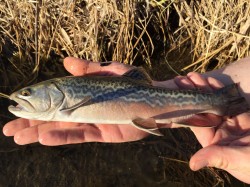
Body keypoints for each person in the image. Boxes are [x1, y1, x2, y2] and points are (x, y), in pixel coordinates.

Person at [3, 56, 250, 183]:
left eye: (27, 93)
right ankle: (227, 99)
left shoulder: (66, 97)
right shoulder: (64, 100)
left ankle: (226, 100)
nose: (22, 97)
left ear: (55, 93)